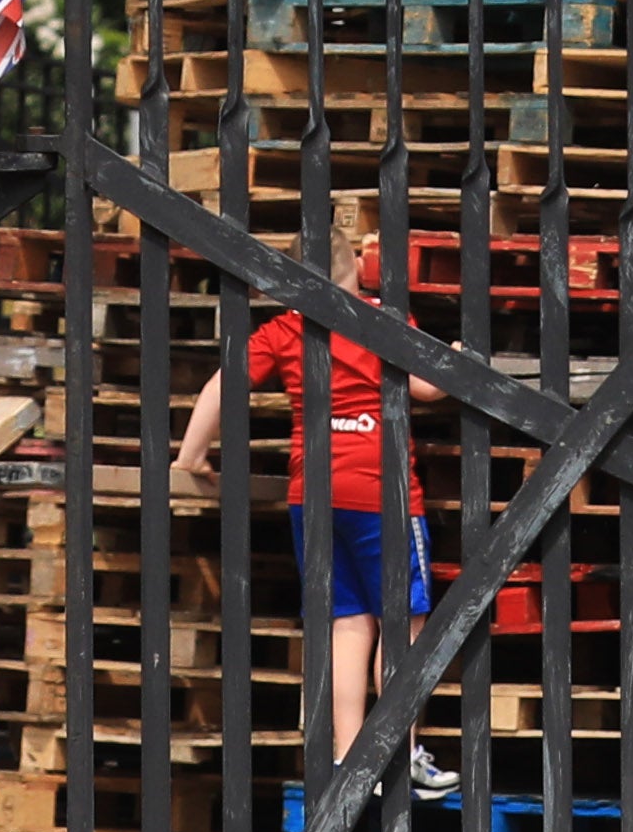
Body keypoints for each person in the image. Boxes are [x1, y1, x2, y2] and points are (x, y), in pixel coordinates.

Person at [169, 232, 452, 799]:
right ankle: (398, 755)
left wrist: (191, 454)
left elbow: (223, 384)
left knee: (346, 623)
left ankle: (349, 758)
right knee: (404, 625)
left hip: (315, 496)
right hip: (381, 493)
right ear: (360, 268)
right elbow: (424, 387)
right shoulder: (381, 319)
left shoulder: (283, 330)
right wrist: (460, 361)